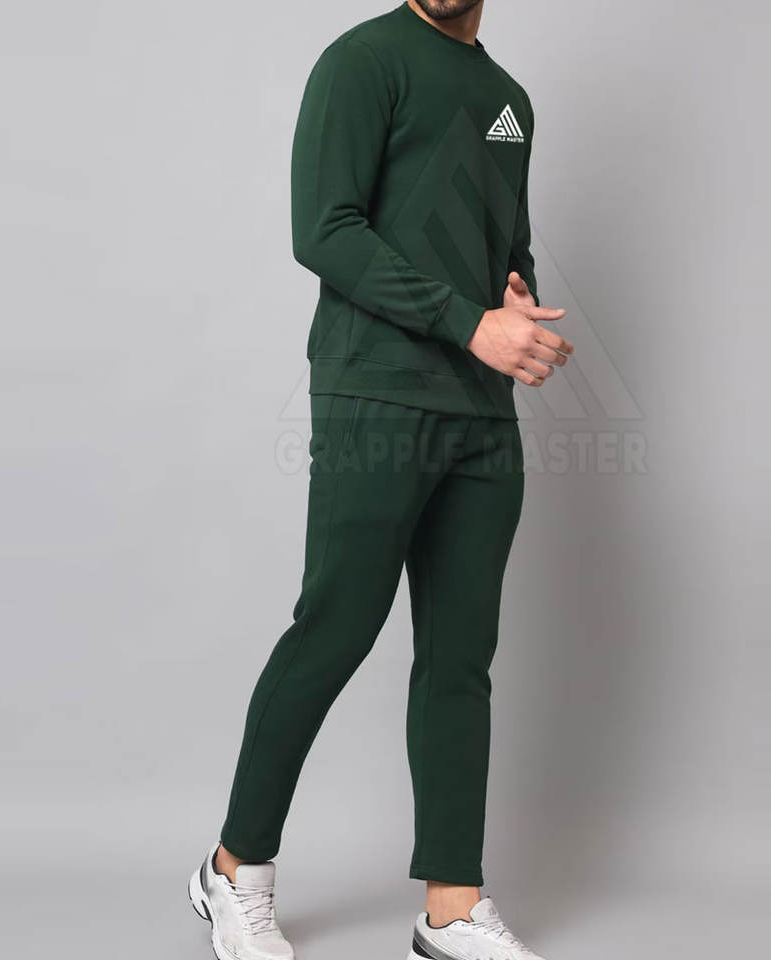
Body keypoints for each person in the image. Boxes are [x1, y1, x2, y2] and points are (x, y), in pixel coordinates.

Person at [188, 2, 572, 958]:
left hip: (481, 412)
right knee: (335, 627)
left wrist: (514, 295)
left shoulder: (510, 100)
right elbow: (324, 230)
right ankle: (233, 870)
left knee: (460, 656)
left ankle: (451, 909)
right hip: (376, 397)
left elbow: (506, 244)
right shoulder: (362, 62)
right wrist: (468, 321)